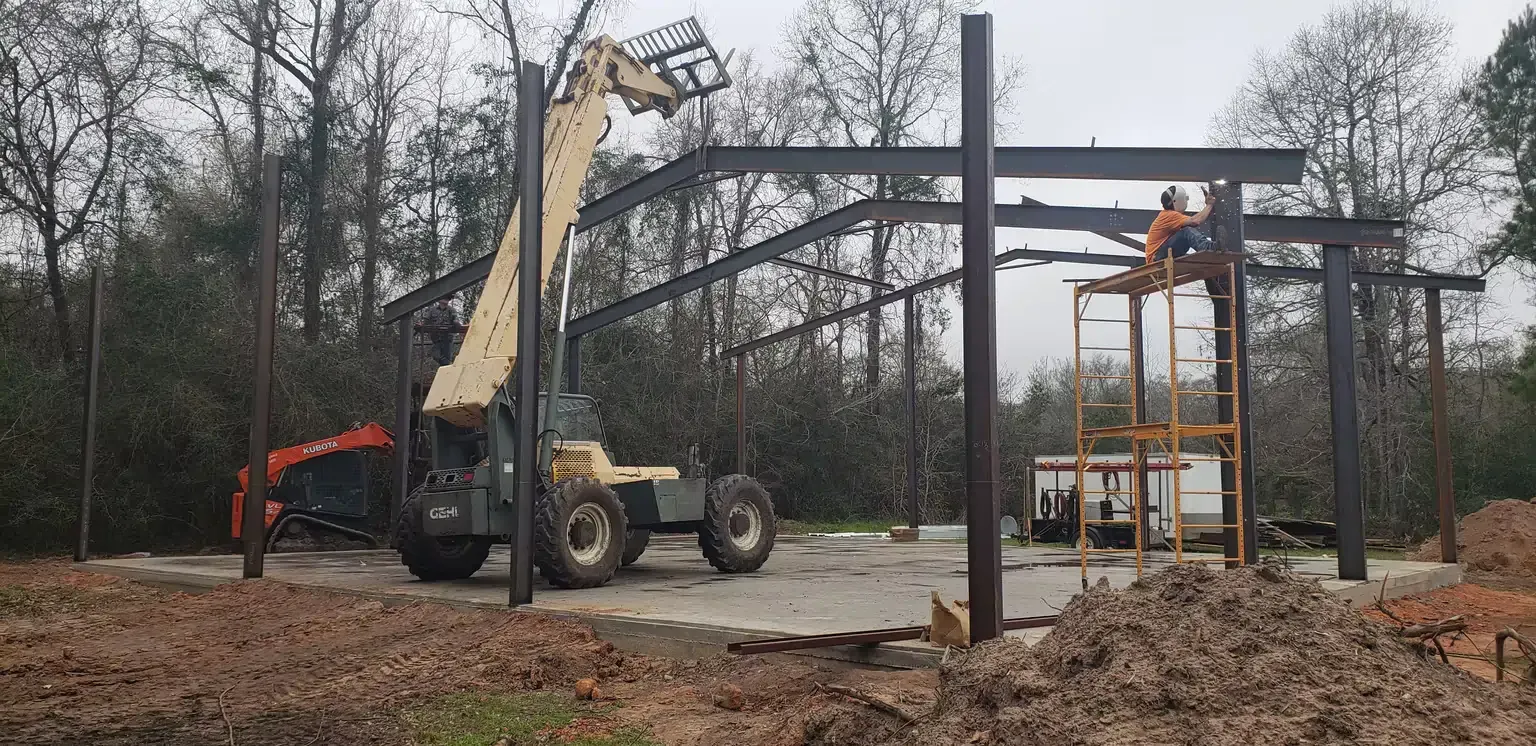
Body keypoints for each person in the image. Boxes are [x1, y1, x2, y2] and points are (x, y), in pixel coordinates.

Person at [1145, 185, 1218, 263]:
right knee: (1186, 231)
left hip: (1159, 256)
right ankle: (1209, 248)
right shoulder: (1169, 215)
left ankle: (1208, 249)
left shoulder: (1167, 216)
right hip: (1157, 258)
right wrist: (1210, 204)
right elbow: (1195, 221)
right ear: (1177, 201)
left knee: (1186, 236)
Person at [417, 295, 461, 365]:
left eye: (448, 298)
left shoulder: (451, 310)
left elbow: (456, 319)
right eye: (444, 298)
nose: (446, 300)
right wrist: (421, 324)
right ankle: (447, 364)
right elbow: (425, 320)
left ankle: (446, 368)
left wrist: (456, 323)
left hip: (447, 339)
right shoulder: (432, 310)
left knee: (446, 358)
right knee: (436, 355)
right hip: (436, 338)